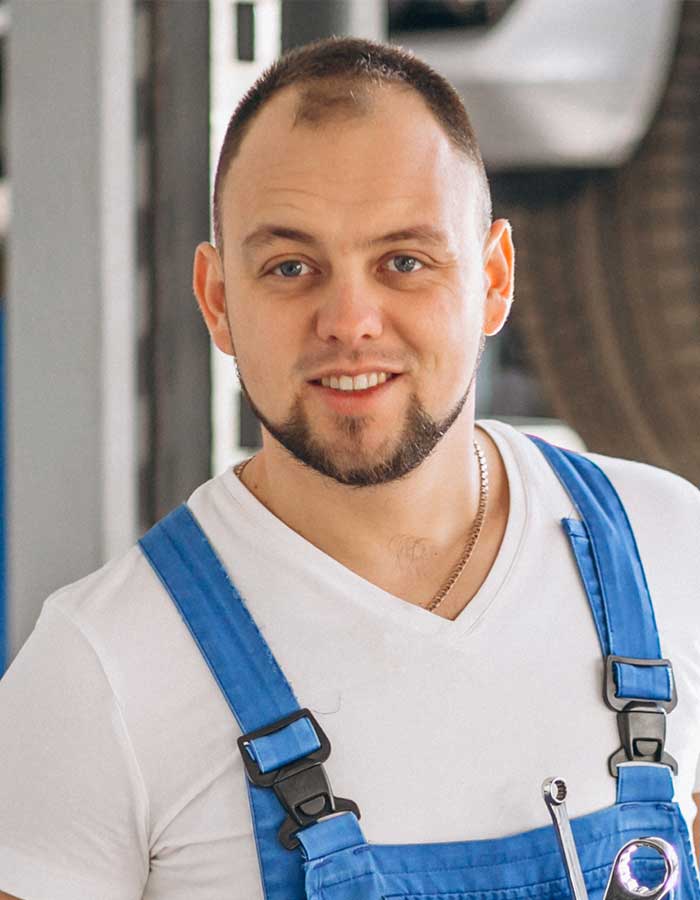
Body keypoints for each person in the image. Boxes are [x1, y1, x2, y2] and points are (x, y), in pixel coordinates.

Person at [0, 35, 698, 900]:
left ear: (493, 277)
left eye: (404, 261)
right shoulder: (99, 671)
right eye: (292, 267)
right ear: (219, 300)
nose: (351, 319)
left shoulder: (672, 555)